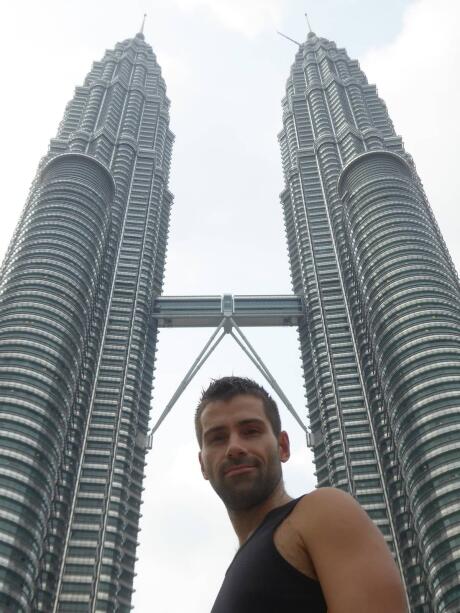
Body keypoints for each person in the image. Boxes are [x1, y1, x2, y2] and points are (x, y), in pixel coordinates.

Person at [195, 376, 408, 613]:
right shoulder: (230, 576)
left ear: (283, 447)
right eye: (217, 438)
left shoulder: (321, 511)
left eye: (251, 431)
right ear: (202, 464)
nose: (234, 447)